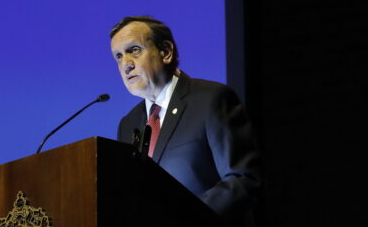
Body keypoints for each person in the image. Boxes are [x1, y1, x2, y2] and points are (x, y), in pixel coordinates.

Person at [110, 16, 262, 216]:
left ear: (165, 52)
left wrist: (185, 220)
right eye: (118, 56)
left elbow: (243, 179)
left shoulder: (210, 99)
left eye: (134, 50)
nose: (126, 64)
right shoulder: (128, 124)